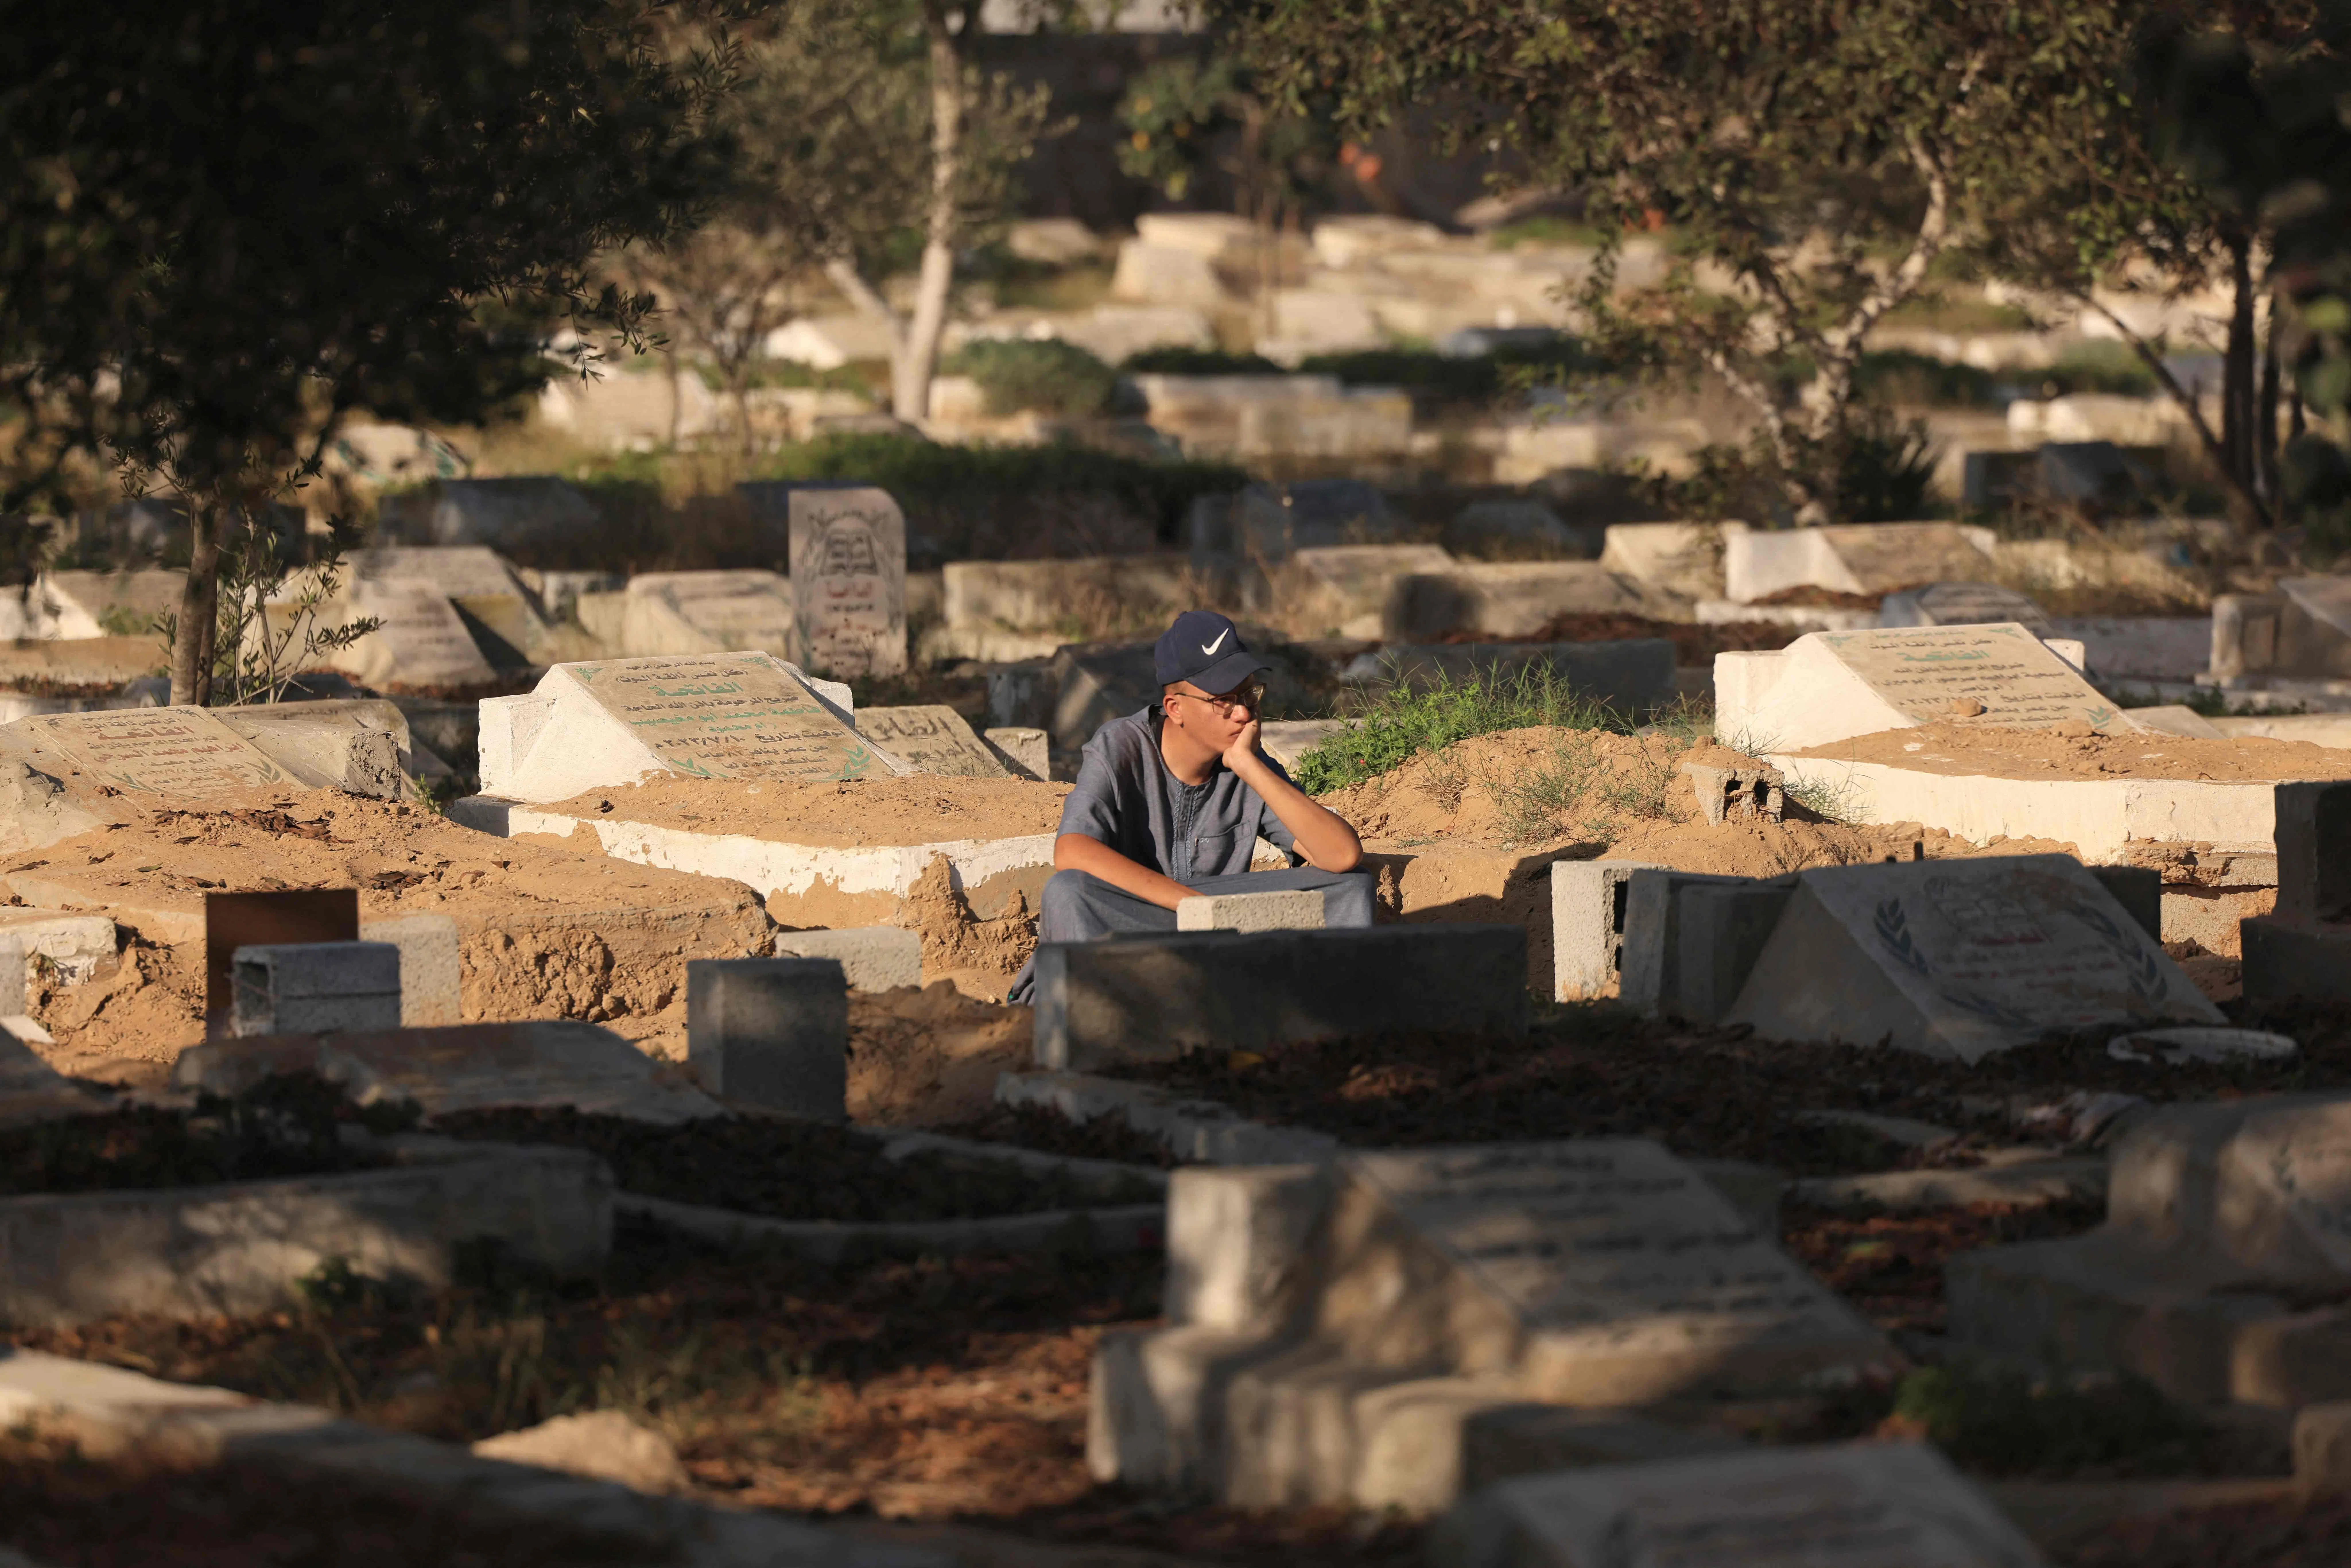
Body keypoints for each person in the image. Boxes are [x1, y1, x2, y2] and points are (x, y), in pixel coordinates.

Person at [1006, 610, 1376, 1004]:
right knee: (1068, 892)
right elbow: (1073, 851)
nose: (1245, 713)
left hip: (1220, 927)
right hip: (1138, 920)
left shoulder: (1248, 762)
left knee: (1350, 887)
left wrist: (1250, 767)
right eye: (1225, 701)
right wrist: (1199, 909)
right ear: (1176, 708)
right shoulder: (1120, 746)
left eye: (1249, 695)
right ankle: (1106, 1014)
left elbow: (1341, 856)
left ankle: (1317, 1017)